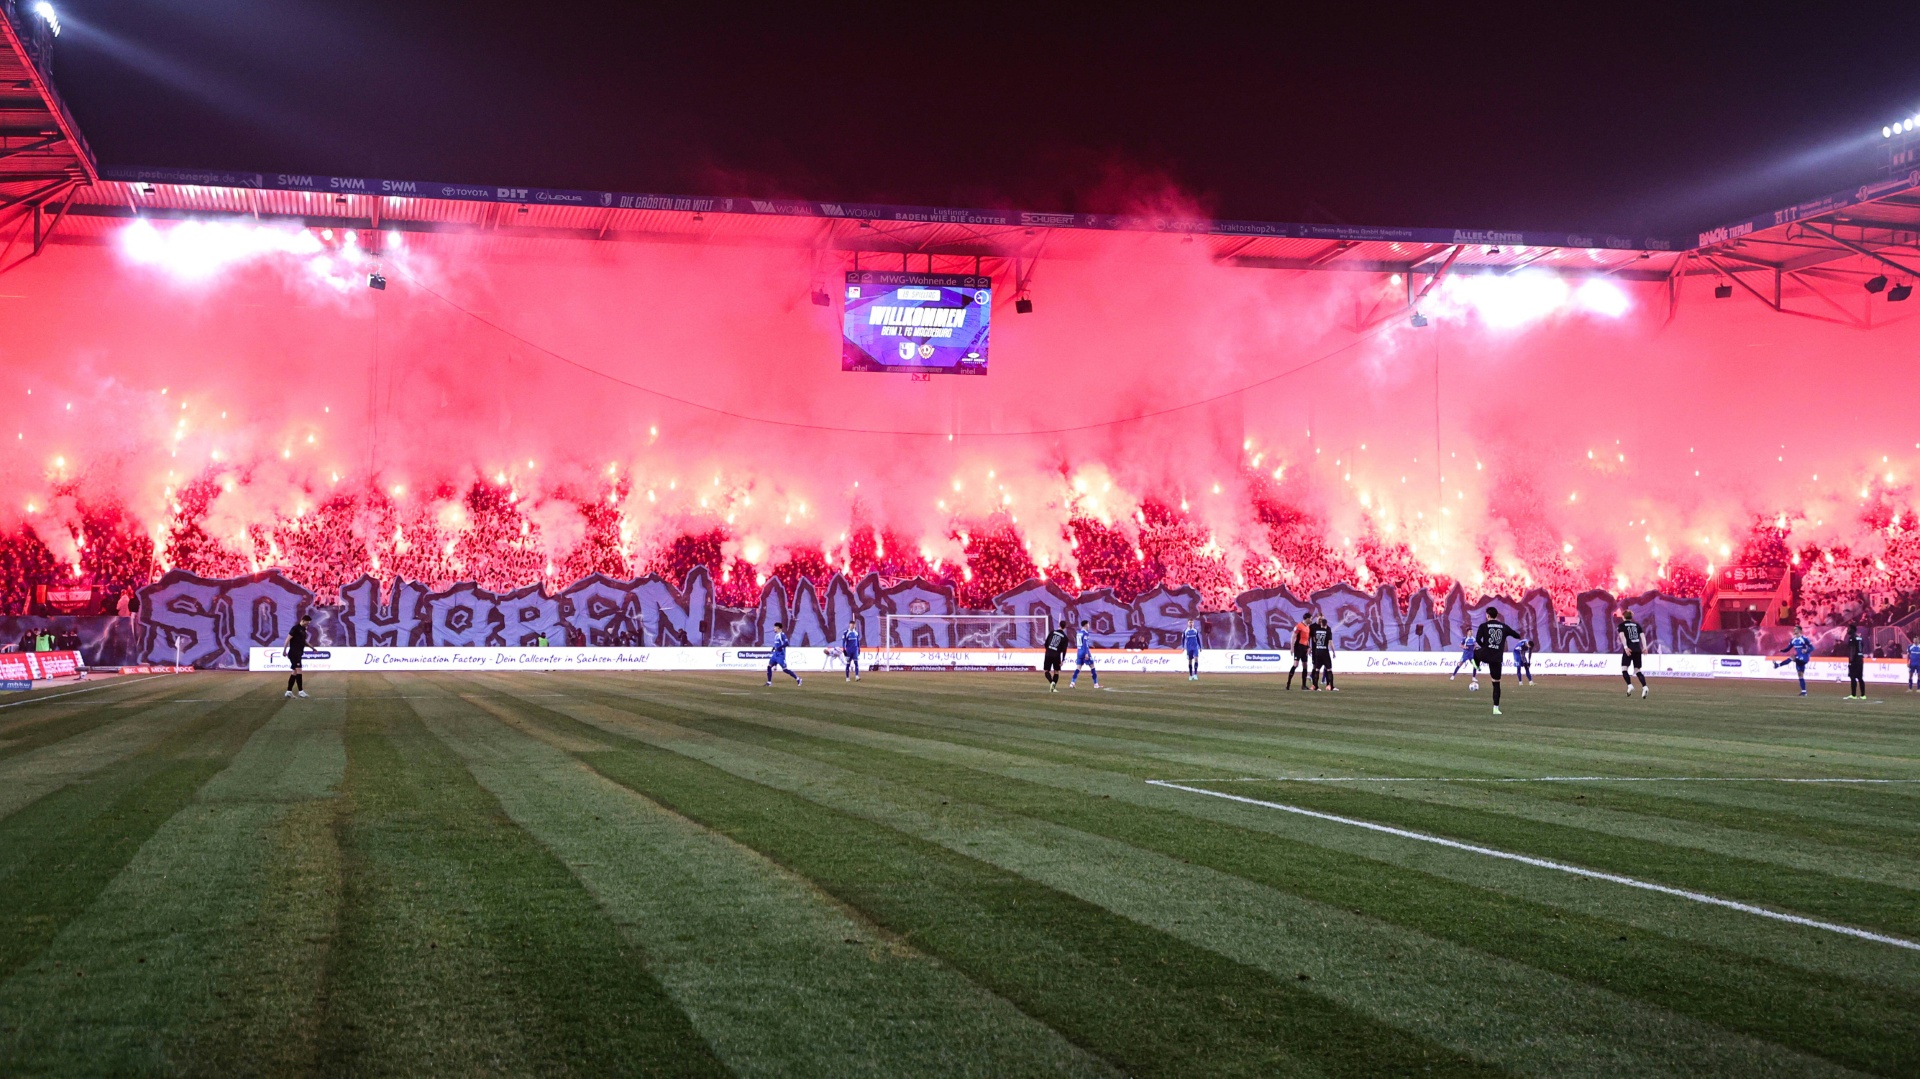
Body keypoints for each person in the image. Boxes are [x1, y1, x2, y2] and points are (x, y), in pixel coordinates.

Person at [1474, 607, 1512, 715]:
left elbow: (1478, 640)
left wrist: (1484, 647)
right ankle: (1496, 708)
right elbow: (1514, 634)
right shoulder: (1502, 627)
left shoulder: (1483, 626)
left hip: (1487, 654)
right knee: (1496, 683)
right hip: (1496, 657)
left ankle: (1476, 665)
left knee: (1475, 653)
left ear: (1487, 615)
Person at [1773, 624, 1814, 696]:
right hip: (1798, 658)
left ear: (1800, 631)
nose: (1794, 630)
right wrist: (1781, 650)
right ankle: (1804, 692)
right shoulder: (1793, 640)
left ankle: (1778, 665)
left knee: (1792, 657)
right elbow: (1788, 649)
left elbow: (1812, 648)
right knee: (1800, 675)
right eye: (1794, 629)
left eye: (1795, 629)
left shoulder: (1804, 639)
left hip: (1804, 657)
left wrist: (1806, 650)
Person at [1617, 610, 1649, 698]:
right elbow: (1642, 637)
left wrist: (1625, 647)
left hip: (1629, 649)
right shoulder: (1637, 625)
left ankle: (1630, 685)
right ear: (1631, 617)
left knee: (1624, 669)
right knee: (1637, 670)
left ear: (1623, 617)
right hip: (1637, 649)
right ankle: (1645, 687)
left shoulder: (1621, 625)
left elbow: (1622, 636)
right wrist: (1645, 647)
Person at [284, 613, 312, 698]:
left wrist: (313, 648)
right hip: (294, 653)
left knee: (294, 672)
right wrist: (284, 650)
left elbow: (304, 641)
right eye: (307, 623)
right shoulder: (295, 628)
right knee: (299, 670)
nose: (307, 625)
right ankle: (301, 691)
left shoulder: (303, 629)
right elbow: (287, 640)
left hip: (299, 653)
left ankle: (288, 691)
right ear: (303, 621)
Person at [765, 621, 801, 687]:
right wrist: (774, 648)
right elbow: (778, 644)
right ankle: (769, 682)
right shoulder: (776, 635)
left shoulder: (782, 635)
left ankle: (798, 679)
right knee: (769, 666)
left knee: (785, 669)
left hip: (780, 655)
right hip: (775, 654)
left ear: (778, 628)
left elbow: (787, 643)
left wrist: (780, 647)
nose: (774, 629)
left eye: (775, 627)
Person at [1308, 613, 1336, 691]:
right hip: (1325, 651)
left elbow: (1314, 639)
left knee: (1317, 669)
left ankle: (1315, 686)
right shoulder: (1327, 631)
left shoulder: (1316, 631)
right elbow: (1330, 642)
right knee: (1329, 669)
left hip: (1317, 651)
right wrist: (1333, 652)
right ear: (1326, 624)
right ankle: (1330, 686)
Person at [1069, 620, 1100, 689]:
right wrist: (1086, 653)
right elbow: (1085, 644)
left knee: (1078, 668)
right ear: (1086, 625)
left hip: (1079, 652)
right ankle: (1096, 684)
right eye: (1088, 624)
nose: (1089, 626)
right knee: (1092, 667)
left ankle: (1072, 683)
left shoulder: (1078, 633)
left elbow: (1080, 643)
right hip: (1085, 652)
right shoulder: (1085, 633)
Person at [1042, 621, 1068, 692]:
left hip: (1048, 653)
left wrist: (1048, 650)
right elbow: (1064, 650)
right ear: (1065, 627)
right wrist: (1062, 660)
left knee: (1046, 670)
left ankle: (1051, 683)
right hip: (1056, 655)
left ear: (1059, 625)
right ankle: (1053, 685)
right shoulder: (1065, 637)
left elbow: (1046, 643)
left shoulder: (1052, 632)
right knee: (1056, 671)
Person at [1286, 617, 1313, 690]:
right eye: (1310, 619)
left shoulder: (1308, 627)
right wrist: (1292, 648)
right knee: (1296, 665)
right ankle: (1288, 684)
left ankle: (1303, 685)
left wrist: (1308, 647)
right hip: (1298, 647)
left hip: (1305, 648)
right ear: (1307, 619)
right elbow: (1293, 637)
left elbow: (1307, 639)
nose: (1311, 620)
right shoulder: (1298, 626)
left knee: (1305, 665)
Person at [1844, 620, 1867, 699]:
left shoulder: (1852, 638)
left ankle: (1853, 695)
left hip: (1855, 660)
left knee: (1853, 677)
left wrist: (1851, 661)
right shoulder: (1859, 638)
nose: (1847, 630)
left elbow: (1852, 650)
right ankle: (1863, 695)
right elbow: (1862, 647)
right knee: (1860, 677)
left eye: (1848, 629)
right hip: (1860, 659)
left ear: (1852, 629)